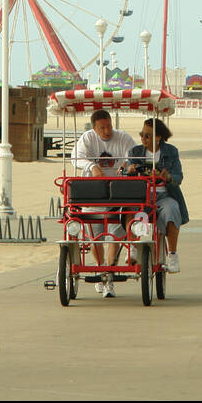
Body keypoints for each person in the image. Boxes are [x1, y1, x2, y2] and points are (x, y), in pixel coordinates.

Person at [71, 109, 137, 298]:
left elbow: (133, 155)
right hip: (94, 195)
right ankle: (101, 271)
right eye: (102, 128)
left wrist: (127, 165)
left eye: (109, 126)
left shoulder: (123, 138)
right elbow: (76, 157)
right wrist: (92, 167)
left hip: (118, 194)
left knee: (115, 236)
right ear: (94, 128)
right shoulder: (87, 139)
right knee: (96, 237)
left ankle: (109, 276)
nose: (107, 131)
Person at [126, 118, 187, 273]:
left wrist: (168, 177)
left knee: (172, 209)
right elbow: (126, 173)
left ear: (158, 137)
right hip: (141, 196)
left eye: (148, 136)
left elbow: (178, 177)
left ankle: (172, 255)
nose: (143, 139)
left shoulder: (171, 152)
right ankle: (133, 246)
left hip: (164, 195)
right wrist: (129, 171)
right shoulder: (135, 152)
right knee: (127, 208)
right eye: (142, 135)